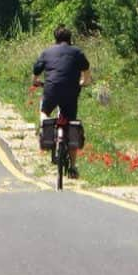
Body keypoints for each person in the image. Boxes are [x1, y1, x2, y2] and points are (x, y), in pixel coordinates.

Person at [32, 25, 91, 179]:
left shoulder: (47, 52)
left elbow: (36, 71)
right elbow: (86, 75)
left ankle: (46, 129)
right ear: (70, 39)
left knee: (44, 111)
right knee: (71, 123)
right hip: (71, 91)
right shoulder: (77, 52)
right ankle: (72, 166)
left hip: (51, 89)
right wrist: (82, 83)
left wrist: (36, 81)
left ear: (55, 38)